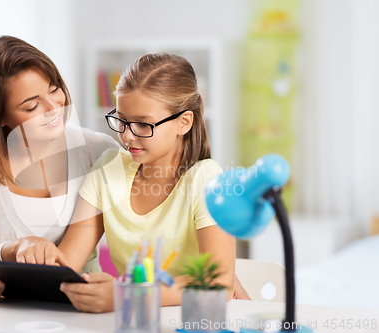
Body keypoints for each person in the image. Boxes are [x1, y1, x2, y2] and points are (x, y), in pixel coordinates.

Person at [54, 53, 250, 313]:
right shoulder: (108, 169)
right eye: (121, 121)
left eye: (143, 125)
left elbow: (218, 285)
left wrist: (128, 295)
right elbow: (67, 264)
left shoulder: (205, 179)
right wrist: (4, 279)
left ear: (184, 122)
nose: (127, 136)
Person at [0, 35, 117, 302]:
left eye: (54, 89)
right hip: (9, 312)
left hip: (83, 307)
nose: (54, 108)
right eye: (32, 105)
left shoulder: (98, 151)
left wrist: (2, 265)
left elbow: (66, 268)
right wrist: (15, 249)